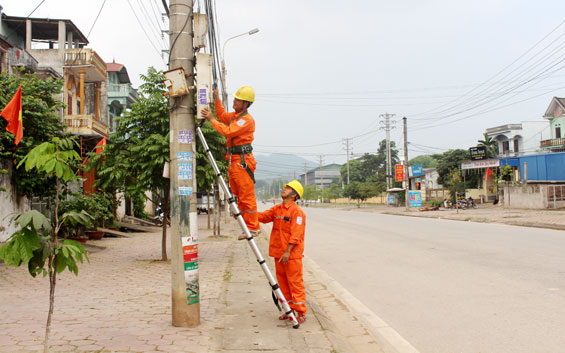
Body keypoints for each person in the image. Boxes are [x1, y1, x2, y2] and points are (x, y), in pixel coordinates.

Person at [201, 86, 259, 239]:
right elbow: (220, 115)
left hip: (242, 161)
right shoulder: (235, 116)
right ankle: (246, 226)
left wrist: (211, 120)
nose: (234, 101)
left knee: (246, 196)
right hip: (234, 161)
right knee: (239, 195)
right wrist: (217, 98)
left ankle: (253, 227)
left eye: (237, 100)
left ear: (245, 103)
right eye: (235, 98)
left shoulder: (246, 120)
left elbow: (228, 132)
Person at [257, 180, 307, 324]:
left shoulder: (297, 213)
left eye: (288, 188)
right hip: (279, 253)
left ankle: (300, 312)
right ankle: (288, 309)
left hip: (291, 255)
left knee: (295, 283)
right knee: (283, 283)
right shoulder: (277, 209)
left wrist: (288, 251)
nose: (284, 189)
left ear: (294, 194)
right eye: (285, 187)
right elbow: (264, 217)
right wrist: (245, 214)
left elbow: (296, 234)